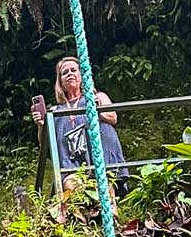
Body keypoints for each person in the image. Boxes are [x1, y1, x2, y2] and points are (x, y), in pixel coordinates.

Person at [32, 56, 127, 206]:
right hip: (71, 163)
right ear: (60, 82)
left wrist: (97, 110)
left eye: (73, 70)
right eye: (64, 73)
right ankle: (82, 221)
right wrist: (41, 125)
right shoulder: (56, 111)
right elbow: (45, 144)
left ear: (82, 76)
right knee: (72, 188)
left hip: (100, 157)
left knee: (106, 190)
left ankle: (110, 219)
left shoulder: (97, 97)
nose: (69, 74)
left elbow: (113, 118)